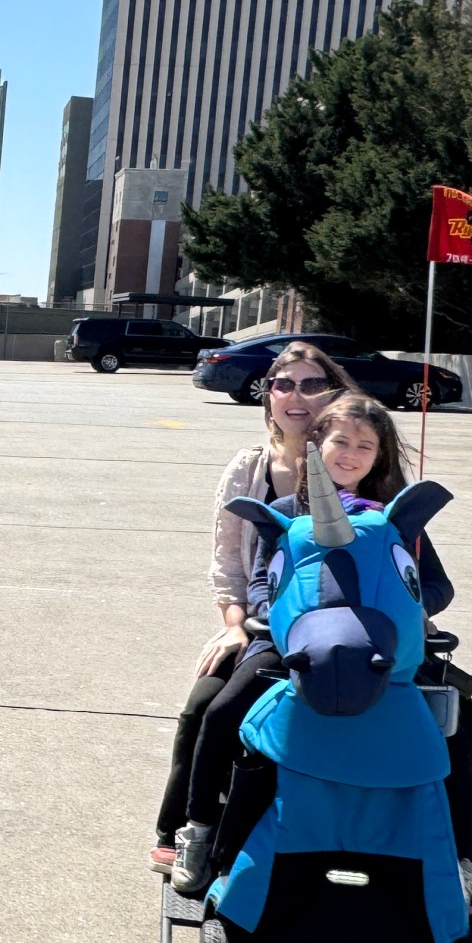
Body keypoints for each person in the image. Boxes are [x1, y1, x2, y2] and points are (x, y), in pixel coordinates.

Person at [175, 394, 472, 916]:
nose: (350, 454)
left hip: (384, 653)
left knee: (464, 728)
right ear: (315, 448)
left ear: (378, 457)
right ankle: (200, 827)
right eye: (340, 442)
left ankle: (468, 859)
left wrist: (412, 603)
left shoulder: (395, 521)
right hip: (292, 648)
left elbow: (437, 586)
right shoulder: (283, 515)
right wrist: (280, 613)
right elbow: (262, 582)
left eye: (365, 446)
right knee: (222, 711)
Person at [150, 341, 356, 872]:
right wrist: (235, 626)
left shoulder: (358, 460)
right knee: (205, 707)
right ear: (267, 397)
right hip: (260, 625)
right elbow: (229, 564)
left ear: (333, 393)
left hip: (349, 630)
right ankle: (183, 827)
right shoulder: (251, 469)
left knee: (454, 719)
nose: (296, 396)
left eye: (312, 384)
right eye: (283, 384)